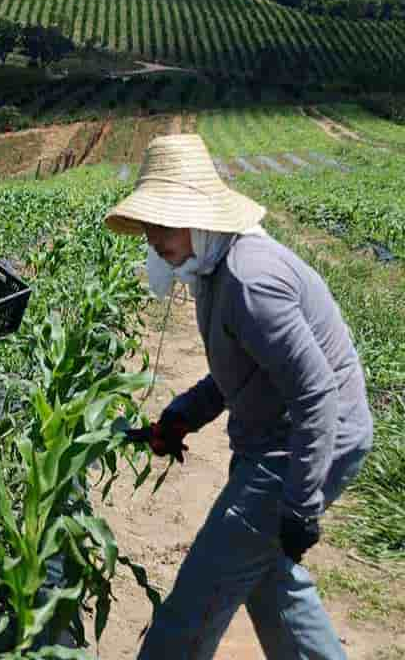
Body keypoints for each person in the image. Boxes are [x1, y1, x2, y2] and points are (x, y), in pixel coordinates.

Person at [105, 134, 374, 660]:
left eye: (163, 222)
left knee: (199, 596)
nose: (153, 238)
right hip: (283, 438)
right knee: (270, 582)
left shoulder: (250, 281)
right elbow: (241, 373)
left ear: (199, 215)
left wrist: (299, 504)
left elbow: (316, 394)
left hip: (303, 444)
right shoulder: (215, 268)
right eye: (149, 225)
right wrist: (183, 417)